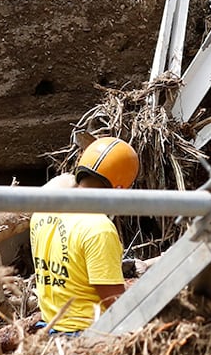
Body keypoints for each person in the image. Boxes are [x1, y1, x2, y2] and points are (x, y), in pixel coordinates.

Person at [30, 137, 140, 333]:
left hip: (49, 330)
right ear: (120, 189)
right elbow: (115, 304)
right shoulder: (99, 228)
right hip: (86, 335)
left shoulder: (42, 213)